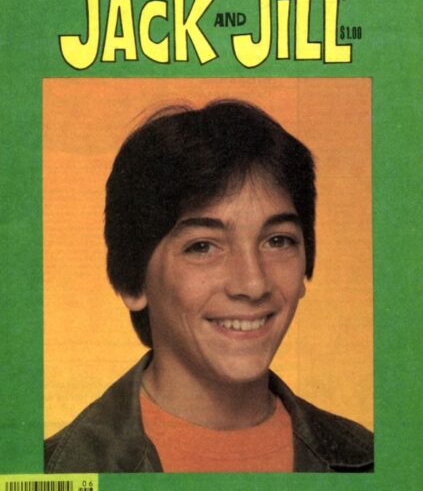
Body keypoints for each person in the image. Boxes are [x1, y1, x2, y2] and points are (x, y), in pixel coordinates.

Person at [44, 99, 373, 473]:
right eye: (202, 247)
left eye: (278, 241)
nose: (253, 283)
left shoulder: (376, 461)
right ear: (134, 283)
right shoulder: (51, 472)